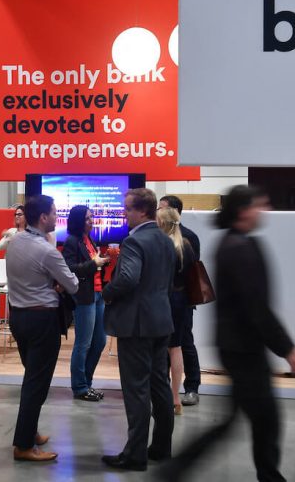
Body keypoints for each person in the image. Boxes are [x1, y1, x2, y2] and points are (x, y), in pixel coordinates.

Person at [166, 185, 295, 482]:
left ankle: (175, 471)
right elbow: (256, 306)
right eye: (259, 205)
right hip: (243, 349)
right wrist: (287, 348)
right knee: (265, 418)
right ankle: (266, 476)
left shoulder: (237, 243)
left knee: (244, 420)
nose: (265, 210)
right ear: (243, 211)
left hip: (239, 346)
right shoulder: (238, 248)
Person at [101, 188, 176, 472]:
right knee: (160, 386)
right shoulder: (166, 240)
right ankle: (161, 448)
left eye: (128, 209)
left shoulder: (134, 241)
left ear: (143, 211)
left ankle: (134, 455)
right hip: (161, 321)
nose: (124, 213)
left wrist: (107, 292)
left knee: (136, 391)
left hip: (136, 325)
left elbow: (129, 278)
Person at [5, 195, 79, 462]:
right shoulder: (47, 251)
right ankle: (23, 445)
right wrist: (55, 283)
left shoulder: (14, 242)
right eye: (55, 212)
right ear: (43, 217)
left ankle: (31, 431)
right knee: (36, 384)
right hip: (42, 321)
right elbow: (73, 285)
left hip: (18, 318)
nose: (58, 217)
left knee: (32, 378)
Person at [62, 205, 110, 402]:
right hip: (84, 297)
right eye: (88, 218)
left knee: (100, 341)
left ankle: (86, 382)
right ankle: (80, 387)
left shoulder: (89, 239)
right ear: (79, 221)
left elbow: (93, 265)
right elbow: (69, 268)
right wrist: (94, 264)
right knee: (83, 343)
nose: (92, 221)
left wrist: (102, 262)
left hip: (97, 294)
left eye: (92, 217)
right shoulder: (71, 241)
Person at [159, 195, 202, 407]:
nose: (158, 212)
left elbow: (192, 271)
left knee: (184, 343)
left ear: (173, 211)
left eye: (162, 208)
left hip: (180, 300)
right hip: (173, 300)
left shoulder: (188, 238)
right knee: (170, 346)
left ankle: (191, 387)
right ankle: (169, 389)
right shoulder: (161, 238)